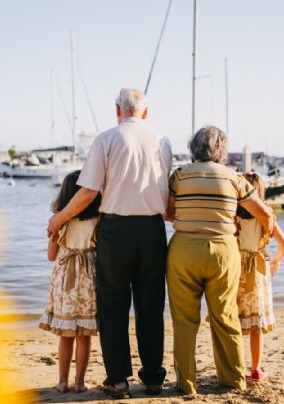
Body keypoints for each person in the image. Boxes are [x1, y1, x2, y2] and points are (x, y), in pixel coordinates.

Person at [47, 88, 172, 398]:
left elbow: (88, 192)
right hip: (153, 231)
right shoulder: (163, 141)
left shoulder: (106, 139)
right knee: (151, 307)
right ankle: (154, 377)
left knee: (114, 307)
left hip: (115, 231)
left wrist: (59, 218)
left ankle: (117, 380)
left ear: (117, 110)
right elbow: (166, 192)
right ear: (146, 112)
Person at [166, 125, 275, 395]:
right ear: (222, 150)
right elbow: (265, 214)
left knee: (184, 321)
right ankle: (232, 380)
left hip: (183, 250)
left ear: (194, 148)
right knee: (225, 317)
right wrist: (265, 237)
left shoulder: (178, 176)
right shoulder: (234, 178)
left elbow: (168, 213)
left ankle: (186, 383)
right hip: (224, 252)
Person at [39, 170, 102, 394]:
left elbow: (51, 256)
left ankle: (63, 382)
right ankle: (81, 383)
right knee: (83, 334)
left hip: (65, 279)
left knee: (66, 335)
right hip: (89, 279)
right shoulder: (98, 220)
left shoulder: (60, 223)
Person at [235, 172, 284, 382]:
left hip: (237, 269)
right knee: (257, 326)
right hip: (258, 271)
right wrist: (276, 260)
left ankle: (236, 368)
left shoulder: (233, 214)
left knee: (236, 322)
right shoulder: (267, 216)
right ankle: (256, 370)